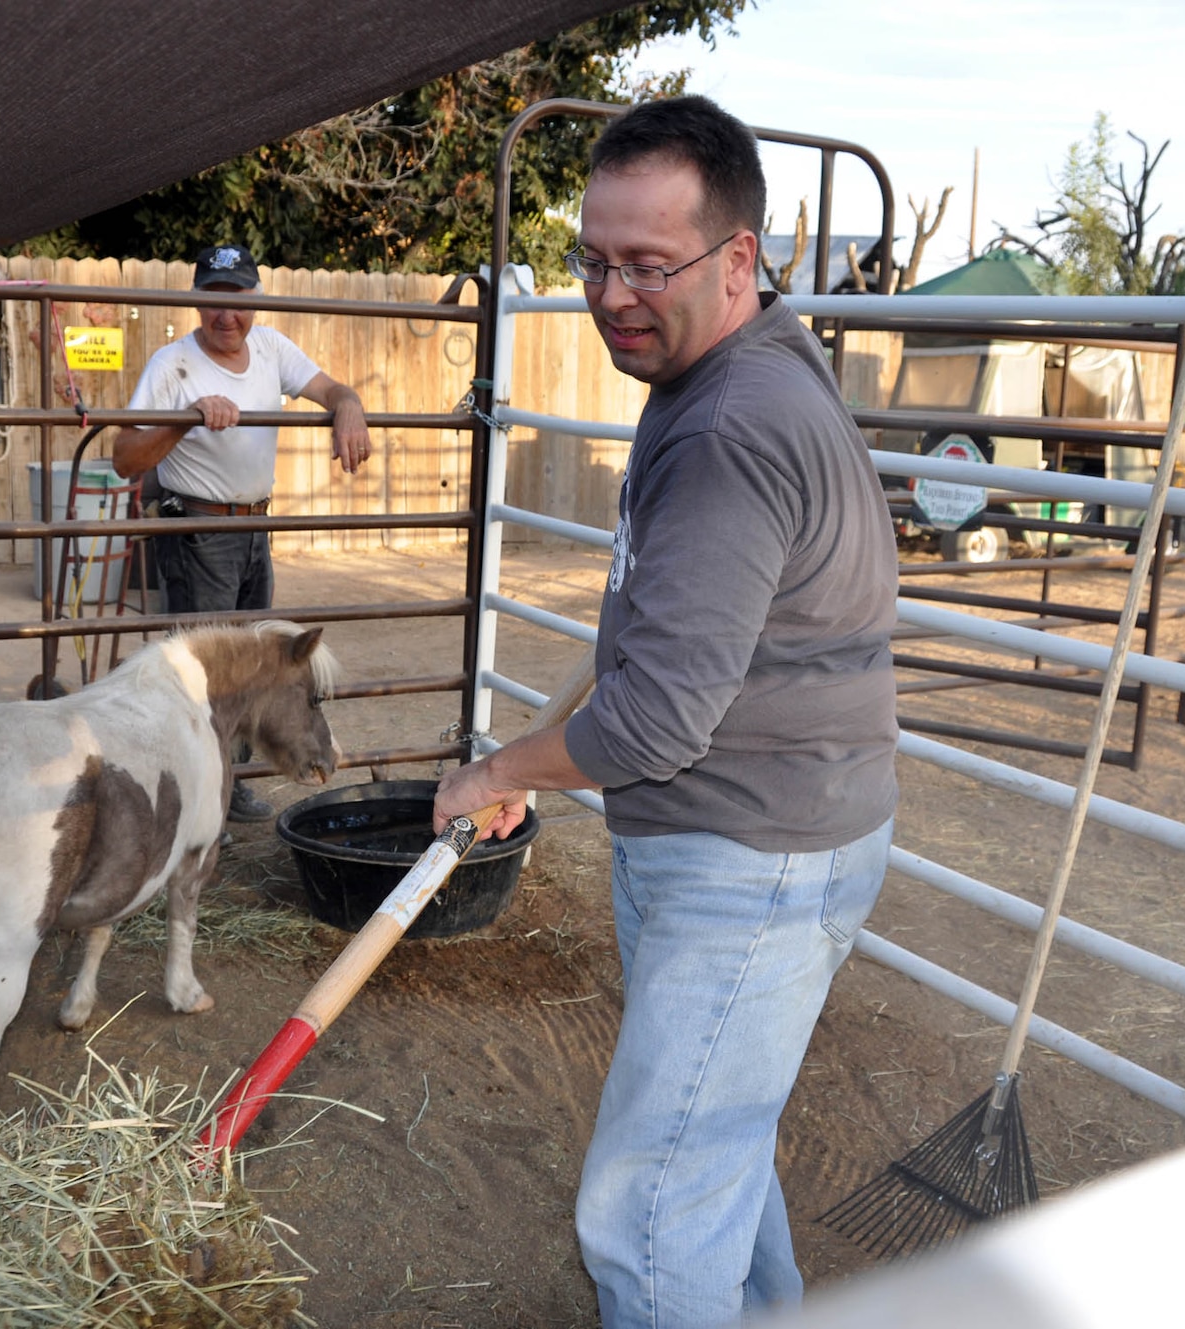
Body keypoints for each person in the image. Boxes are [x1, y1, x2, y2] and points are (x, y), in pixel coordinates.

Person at [432, 96, 899, 1328]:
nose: (610, 294)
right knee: (712, 1152)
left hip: (745, 859)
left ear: (736, 258)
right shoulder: (747, 360)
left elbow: (651, 726)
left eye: (649, 264)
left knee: (648, 1216)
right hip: (768, 833)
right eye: (593, 259)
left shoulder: (729, 426)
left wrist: (500, 772)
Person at [113, 242, 371, 821]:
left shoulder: (271, 348)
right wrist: (186, 419)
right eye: (213, 299)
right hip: (200, 530)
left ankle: (226, 785)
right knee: (201, 671)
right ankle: (197, 798)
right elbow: (126, 457)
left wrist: (348, 405)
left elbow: (329, 388)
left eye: (239, 300)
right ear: (197, 300)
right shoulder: (172, 366)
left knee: (252, 667)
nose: (226, 315)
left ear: (256, 298)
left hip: (257, 526)